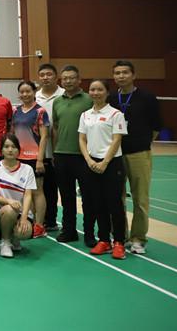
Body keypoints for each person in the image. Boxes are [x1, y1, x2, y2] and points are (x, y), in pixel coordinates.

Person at [108, 60, 162, 255]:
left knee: (140, 198)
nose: (121, 76)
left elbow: (156, 127)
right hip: (116, 155)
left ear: (133, 75)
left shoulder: (147, 98)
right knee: (116, 198)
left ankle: (138, 238)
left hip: (139, 154)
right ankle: (120, 236)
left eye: (125, 72)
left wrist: (142, 142)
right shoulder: (111, 98)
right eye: (117, 73)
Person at [80, 79, 128, 260]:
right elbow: (82, 139)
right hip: (92, 163)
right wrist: (88, 160)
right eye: (92, 89)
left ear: (107, 92)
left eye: (100, 89)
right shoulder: (85, 115)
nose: (95, 93)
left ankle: (119, 242)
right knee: (98, 203)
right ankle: (104, 240)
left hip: (112, 164)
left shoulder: (115, 114)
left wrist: (105, 162)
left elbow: (117, 140)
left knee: (114, 204)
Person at [52, 65, 96, 246]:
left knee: (88, 197)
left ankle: (89, 233)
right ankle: (69, 230)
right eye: (65, 78)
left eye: (71, 78)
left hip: (84, 156)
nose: (68, 81)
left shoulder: (89, 99)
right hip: (61, 155)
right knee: (66, 197)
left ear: (79, 80)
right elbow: (56, 127)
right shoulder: (57, 102)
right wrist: (55, 151)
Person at [0, 134, 36, 258]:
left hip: (22, 212)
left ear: (19, 150)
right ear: (1, 150)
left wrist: (24, 218)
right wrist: (9, 201)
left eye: (13, 147)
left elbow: (28, 196)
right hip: (1, 212)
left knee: (24, 232)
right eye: (6, 146)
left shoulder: (27, 169)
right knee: (10, 210)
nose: (10, 150)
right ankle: (5, 242)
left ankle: (15, 237)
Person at [11, 80, 49, 238]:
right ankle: (31, 220)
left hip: (34, 158)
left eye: (28, 91)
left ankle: (40, 225)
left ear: (34, 92)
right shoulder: (15, 111)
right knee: (25, 191)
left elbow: (44, 136)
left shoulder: (40, 111)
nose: (25, 94)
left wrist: (40, 159)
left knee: (37, 191)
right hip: (18, 158)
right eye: (22, 92)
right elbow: (12, 134)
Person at [36, 63, 63, 232]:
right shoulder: (35, 96)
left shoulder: (63, 95)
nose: (45, 78)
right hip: (38, 151)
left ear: (55, 76)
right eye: (42, 75)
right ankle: (39, 219)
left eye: (49, 74)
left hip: (58, 150)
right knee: (40, 187)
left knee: (53, 188)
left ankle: (52, 220)